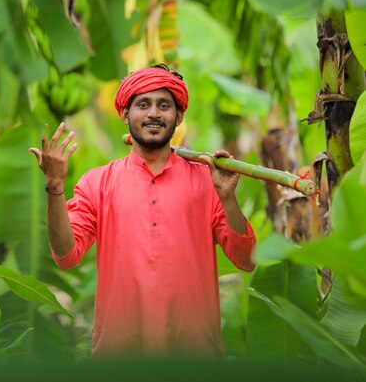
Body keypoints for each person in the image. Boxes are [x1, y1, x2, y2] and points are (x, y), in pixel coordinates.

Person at [28, 64, 256, 359]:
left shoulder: (206, 180)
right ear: (125, 114)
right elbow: (66, 255)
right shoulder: (97, 182)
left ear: (179, 116)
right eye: (143, 105)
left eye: (164, 105)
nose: (153, 114)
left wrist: (227, 198)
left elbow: (247, 260)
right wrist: (55, 186)